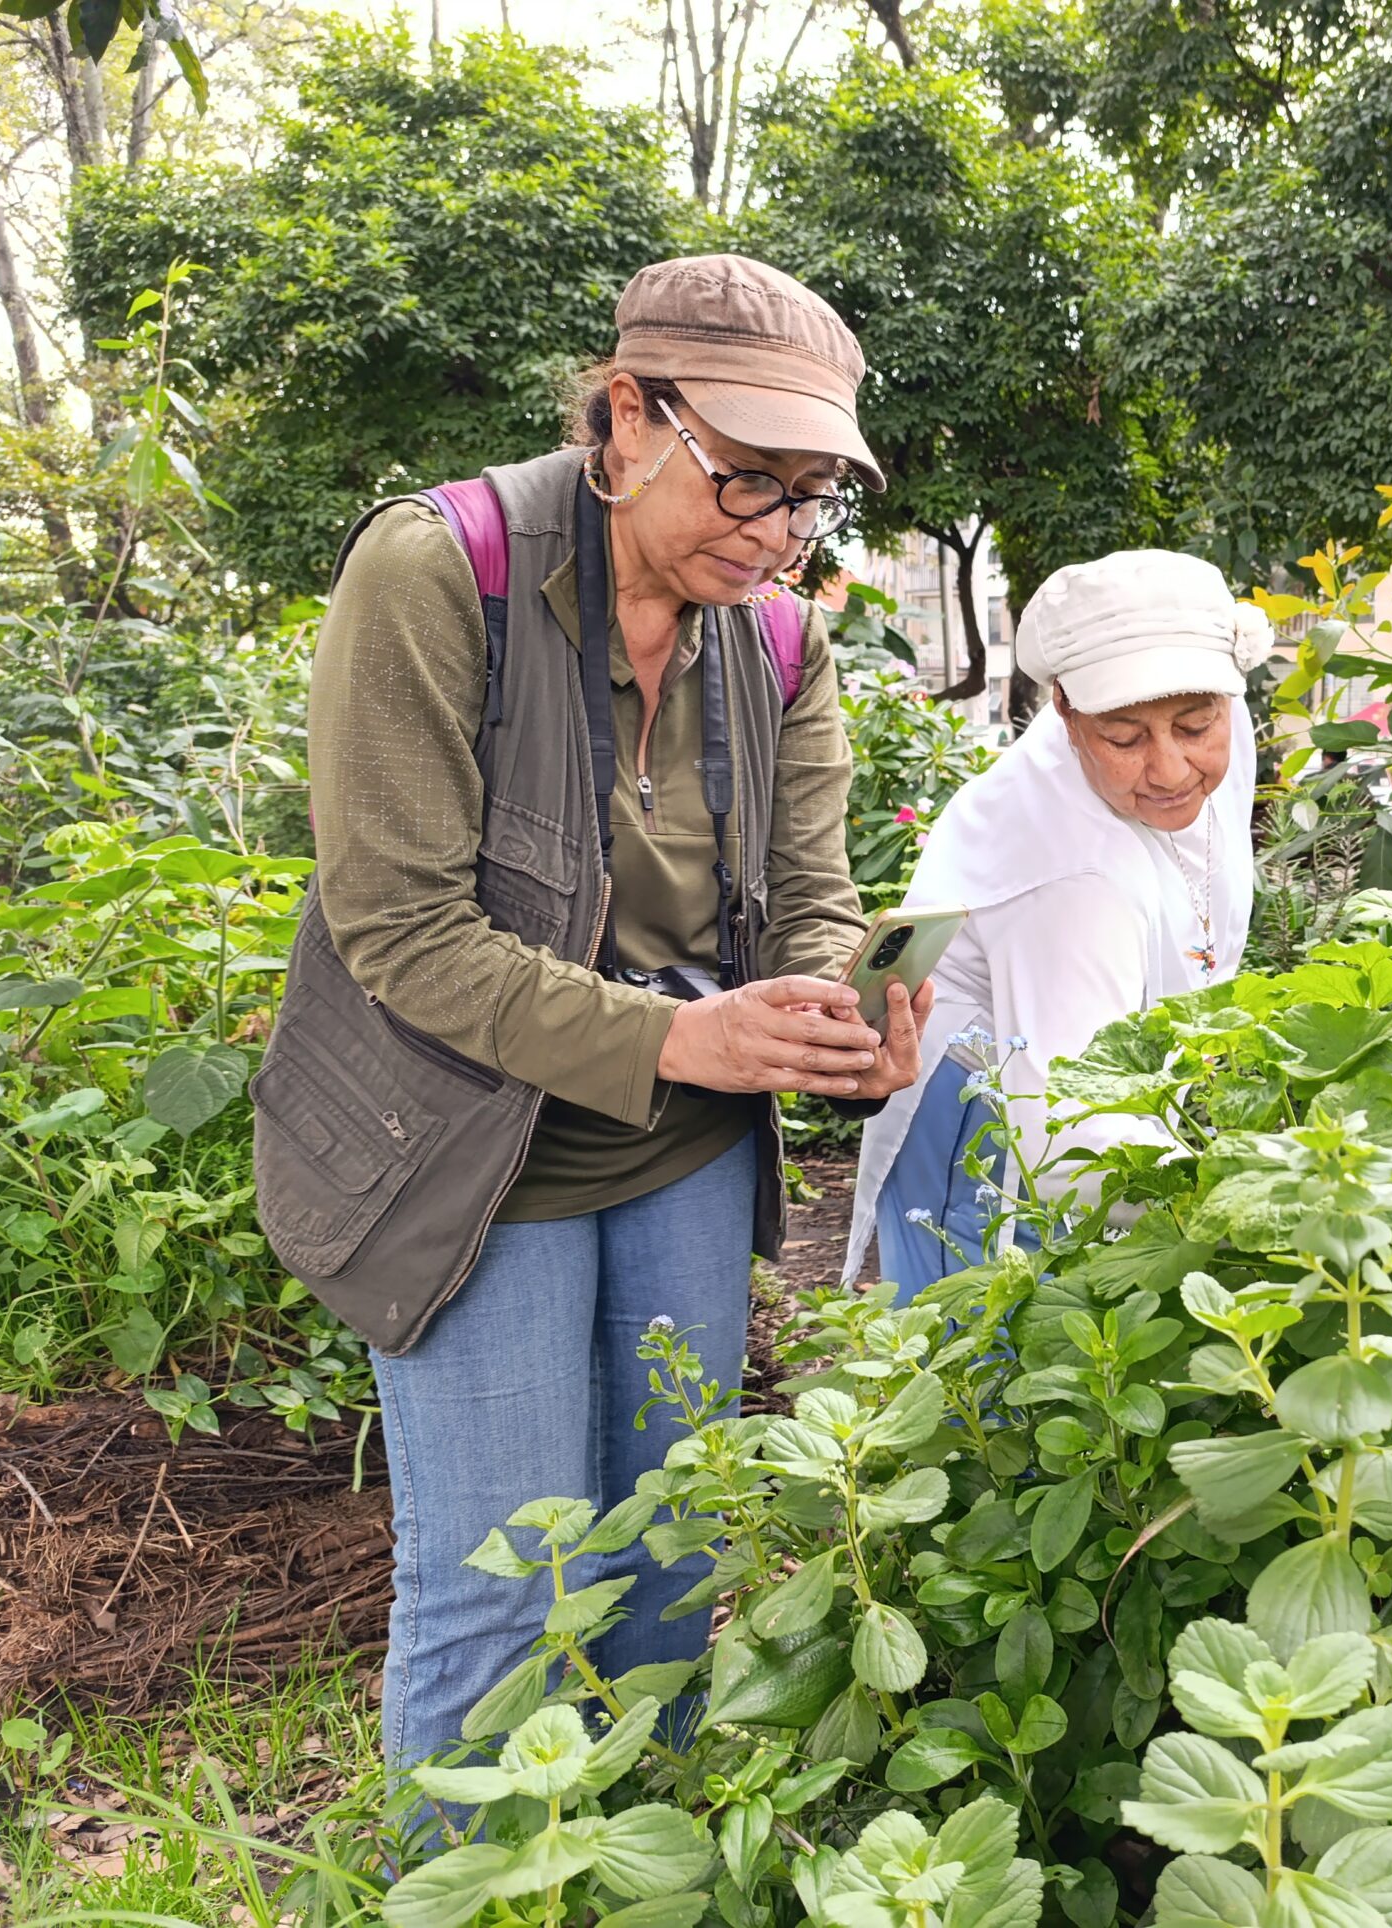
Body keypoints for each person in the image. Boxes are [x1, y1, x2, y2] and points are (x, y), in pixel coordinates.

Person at [251, 254, 931, 1778]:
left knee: (674, 1560)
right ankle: (474, 1872)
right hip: (465, 1161)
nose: (778, 533)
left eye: (813, 497)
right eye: (747, 479)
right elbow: (400, 927)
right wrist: (678, 1038)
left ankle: (650, 1861)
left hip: (682, 1153)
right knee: (504, 1590)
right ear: (629, 414)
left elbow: (809, 898)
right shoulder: (441, 572)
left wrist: (837, 1012)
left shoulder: (777, 640)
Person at [845, 550, 1270, 1291]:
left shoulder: (1207, 731)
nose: (1172, 769)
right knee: (980, 1335)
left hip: (1092, 1092)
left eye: (1196, 725)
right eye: (1125, 739)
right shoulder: (1072, 873)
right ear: (1065, 712)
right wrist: (1253, 1203)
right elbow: (1067, 1137)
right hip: (990, 1123)